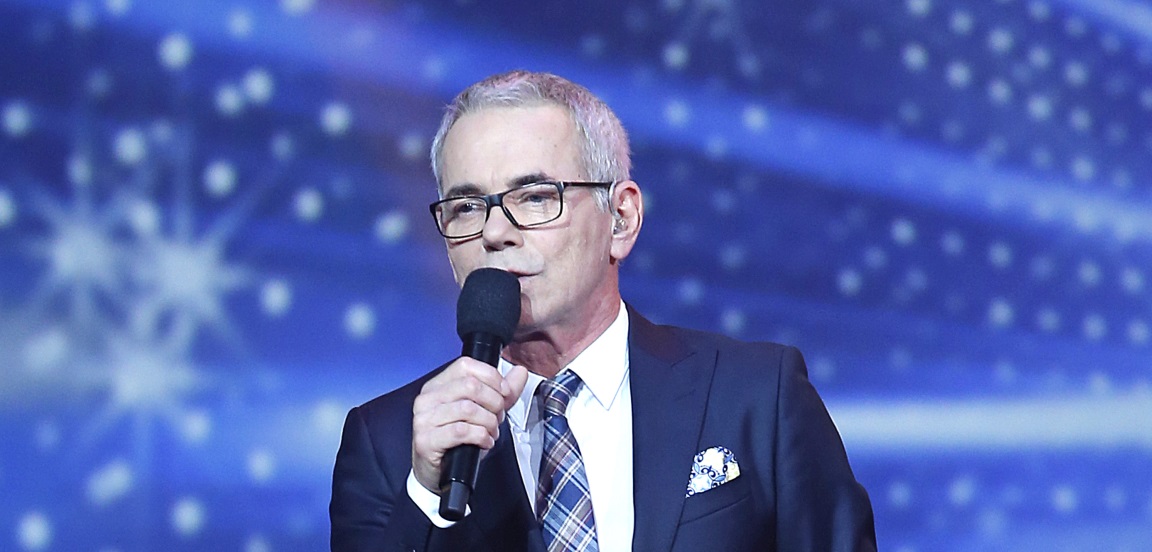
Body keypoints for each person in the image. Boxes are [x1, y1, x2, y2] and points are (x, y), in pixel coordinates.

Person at [330, 70, 876, 552]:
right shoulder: (388, 443)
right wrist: (427, 495)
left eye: (535, 197)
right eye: (467, 207)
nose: (494, 232)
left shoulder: (755, 396)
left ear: (621, 219)